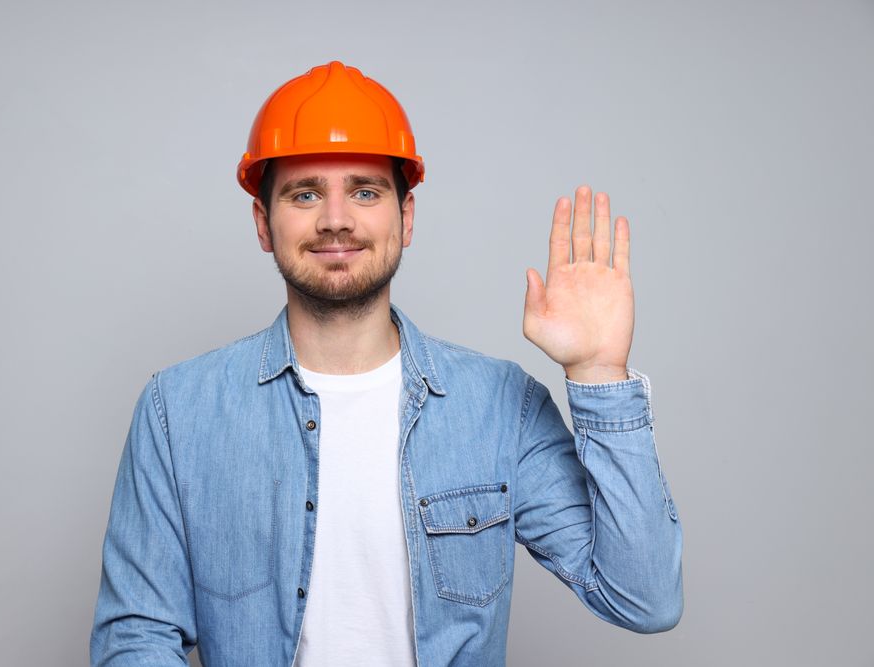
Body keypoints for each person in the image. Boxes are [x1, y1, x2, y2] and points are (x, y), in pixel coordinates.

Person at [90, 60, 683, 667]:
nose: (336, 219)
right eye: (305, 193)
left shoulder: (502, 406)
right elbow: (135, 638)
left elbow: (644, 598)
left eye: (366, 192)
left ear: (407, 217)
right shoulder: (178, 411)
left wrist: (599, 373)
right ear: (264, 223)